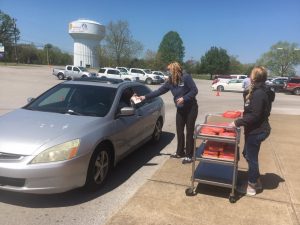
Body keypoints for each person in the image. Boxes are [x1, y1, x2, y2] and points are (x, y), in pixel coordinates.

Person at [138, 62, 198, 164]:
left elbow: (194, 90)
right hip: (180, 109)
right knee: (179, 130)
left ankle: (189, 155)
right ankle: (180, 152)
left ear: (174, 70)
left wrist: (184, 98)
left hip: (191, 109)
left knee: (189, 132)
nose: (167, 72)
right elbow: (159, 91)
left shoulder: (186, 77)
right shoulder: (170, 81)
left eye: (168, 70)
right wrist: (144, 97)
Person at [230, 66, 273, 196]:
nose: (249, 76)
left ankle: (252, 186)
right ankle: (256, 180)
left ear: (254, 77)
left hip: (258, 131)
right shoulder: (258, 90)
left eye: (250, 74)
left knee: (251, 157)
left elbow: (256, 116)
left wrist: (236, 122)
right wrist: (244, 112)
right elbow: (256, 110)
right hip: (255, 130)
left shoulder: (259, 93)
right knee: (248, 155)